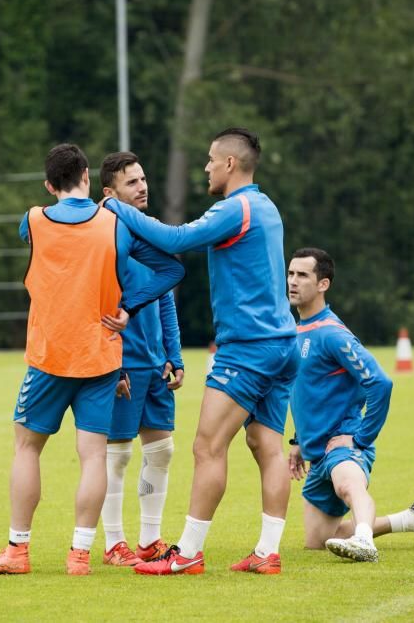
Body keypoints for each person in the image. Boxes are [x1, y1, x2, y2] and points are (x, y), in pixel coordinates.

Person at [0, 144, 184, 576]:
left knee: (27, 448)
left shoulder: (33, 219)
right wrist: (129, 305)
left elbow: (35, 239)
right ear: (89, 176)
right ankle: (80, 555)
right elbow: (170, 270)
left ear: (49, 184)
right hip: (102, 357)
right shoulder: (114, 224)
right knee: (94, 457)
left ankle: (18, 551)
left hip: (49, 356)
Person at [102, 128, 298, 576]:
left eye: (211, 160)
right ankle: (268, 552)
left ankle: (187, 553)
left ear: (231, 164)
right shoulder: (267, 206)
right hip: (283, 344)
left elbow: (174, 241)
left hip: (247, 349)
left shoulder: (236, 208)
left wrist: (116, 209)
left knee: (207, 447)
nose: (206, 167)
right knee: (264, 443)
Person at [285, 247, 414, 562]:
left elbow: (380, 383)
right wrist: (298, 440)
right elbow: (310, 391)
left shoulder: (333, 334)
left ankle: (364, 540)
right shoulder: (298, 330)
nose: (293, 281)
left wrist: (360, 438)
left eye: (303, 275)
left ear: (323, 284)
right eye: (291, 273)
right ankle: (411, 518)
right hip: (316, 450)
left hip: (344, 442)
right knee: (319, 539)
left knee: (348, 486)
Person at [97, 151, 185, 567]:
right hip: (122, 362)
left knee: (162, 451)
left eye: (144, 179)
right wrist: (110, 364)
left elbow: (165, 302)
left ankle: (149, 540)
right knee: (117, 454)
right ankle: (114, 543)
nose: (143, 187)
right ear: (109, 193)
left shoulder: (152, 236)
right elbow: (94, 306)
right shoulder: (106, 237)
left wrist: (174, 355)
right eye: (132, 182)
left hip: (155, 364)